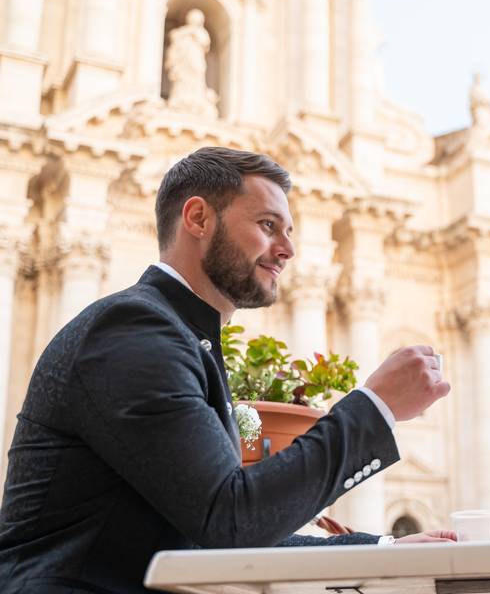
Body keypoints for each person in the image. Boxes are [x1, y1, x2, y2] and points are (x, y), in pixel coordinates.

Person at [0, 147, 454, 593]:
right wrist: (376, 407)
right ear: (197, 218)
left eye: (290, 231)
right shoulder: (135, 330)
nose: (288, 249)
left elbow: (208, 538)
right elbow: (231, 520)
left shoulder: (174, 332)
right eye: (267, 225)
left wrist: (385, 549)